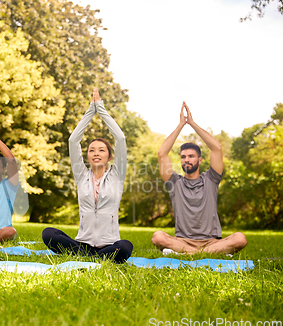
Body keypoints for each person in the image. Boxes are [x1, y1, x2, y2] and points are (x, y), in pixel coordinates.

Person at [42, 88, 133, 263]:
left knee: (125, 246)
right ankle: (93, 258)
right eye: (92, 150)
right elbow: (73, 140)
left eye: (101, 150)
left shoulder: (117, 174)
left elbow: (120, 138)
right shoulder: (81, 175)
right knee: (49, 233)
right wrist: (91, 110)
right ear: (87, 156)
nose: (96, 153)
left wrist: (101, 108)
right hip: (82, 242)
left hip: (110, 244)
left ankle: (88, 258)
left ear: (110, 156)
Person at [152, 102, 247, 255]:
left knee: (240, 238)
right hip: (183, 240)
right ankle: (212, 253)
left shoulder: (211, 179)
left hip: (211, 240)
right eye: (183, 157)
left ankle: (189, 253)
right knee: (158, 237)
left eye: (191, 156)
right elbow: (162, 153)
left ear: (200, 160)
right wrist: (180, 125)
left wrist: (192, 123)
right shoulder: (174, 182)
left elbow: (217, 148)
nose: (186, 159)